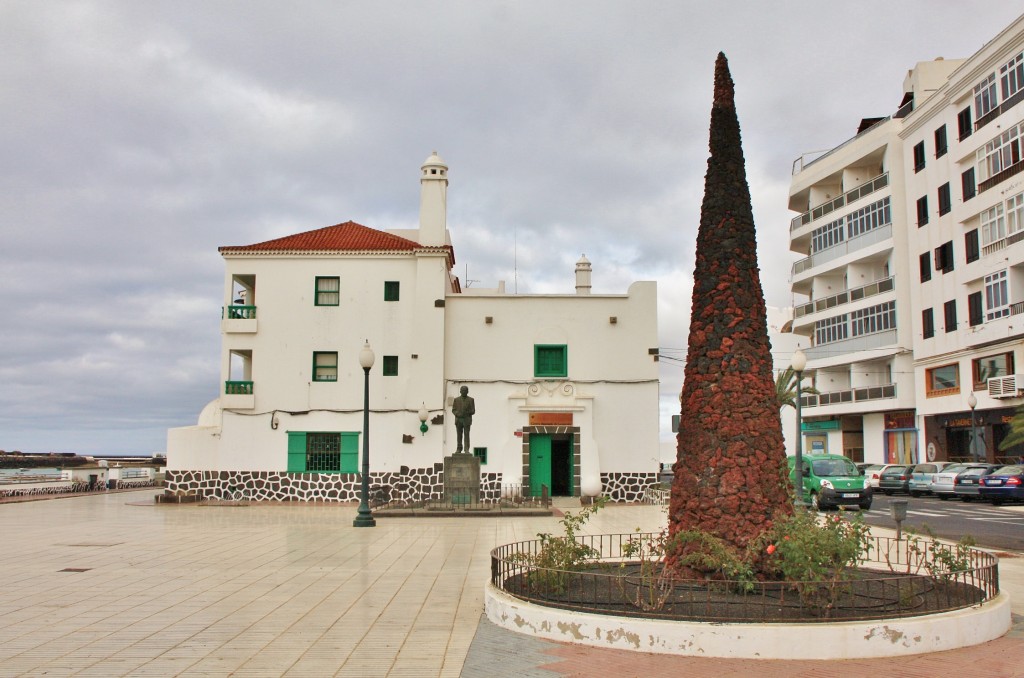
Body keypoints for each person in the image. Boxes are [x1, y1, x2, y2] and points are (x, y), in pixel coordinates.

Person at [451, 385, 475, 453]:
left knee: (467, 435)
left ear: (467, 392)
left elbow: (473, 411)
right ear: (460, 391)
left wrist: (467, 412)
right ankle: (459, 448)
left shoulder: (471, 400)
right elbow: (453, 410)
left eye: (465, 390)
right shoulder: (456, 400)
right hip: (459, 420)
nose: (464, 392)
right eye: (462, 390)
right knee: (459, 435)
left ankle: (466, 449)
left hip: (467, 419)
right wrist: (457, 414)